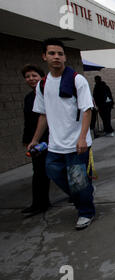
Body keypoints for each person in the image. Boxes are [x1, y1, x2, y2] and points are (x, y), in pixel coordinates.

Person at [28, 38, 96, 230]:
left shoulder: (76, 79)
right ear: (44, 56)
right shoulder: (43, 84)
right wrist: (35, 140)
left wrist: (83, 137)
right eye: (52, 53)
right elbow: (43, 115)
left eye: (60, 53)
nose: (56, 57)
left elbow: (87, 109)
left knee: (77, 180)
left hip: (76, 143)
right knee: (54, 172)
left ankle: (85, 212)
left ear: (65, 57)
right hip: (55, 144)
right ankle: (86, 192)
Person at [21, 64, 51, 217]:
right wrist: (28, 140)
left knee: (60, 168)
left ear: (41, 77)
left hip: (52, 138)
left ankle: (75, 196)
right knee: (38, 172)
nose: (31, 79)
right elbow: (28, 121)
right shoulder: (28, 98)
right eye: (28, 76)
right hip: (36, 142)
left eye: (34, 76)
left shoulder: (49, 94)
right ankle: (39, 203)